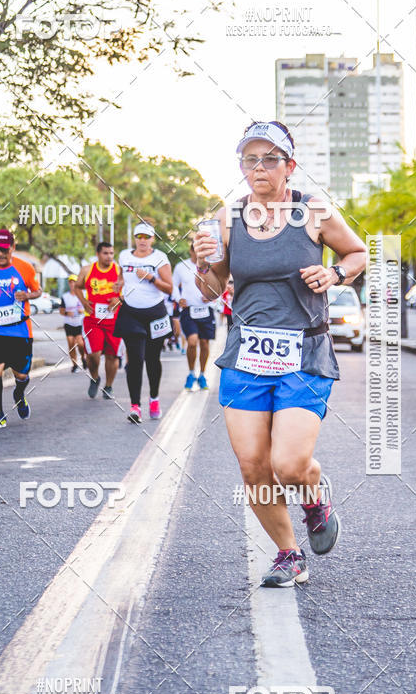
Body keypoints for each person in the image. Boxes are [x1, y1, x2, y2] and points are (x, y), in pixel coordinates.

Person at [194, 120, 366, 587]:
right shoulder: (229, 220)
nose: (260, 168)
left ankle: (314, 496)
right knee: (254, 466)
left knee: (289, 464)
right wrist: (202, 264)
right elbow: (210, 290)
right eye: (250, 159)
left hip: (304, 352)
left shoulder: (313, 211)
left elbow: (357, 254)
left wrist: (335, 276)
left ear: (290, 166)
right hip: (246, 356)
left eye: (270, 158)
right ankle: (290, 554)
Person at [0, 229, 41, 428]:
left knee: (21, 374)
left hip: (20, 330)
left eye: (4, 250)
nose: (0, 254)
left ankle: (19, 394)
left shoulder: (25, 268)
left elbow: (38, 290)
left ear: (12, 248)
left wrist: (28, 296)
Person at [114, 222, 173, 423]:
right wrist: (119, 285)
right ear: (135, 238)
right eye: (139, 236)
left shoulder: (159, 258)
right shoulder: (124, 256)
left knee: (152, 358)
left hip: (155, 312)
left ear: (152, 239)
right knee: (135, 360)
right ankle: (135, 407)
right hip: (131, 312)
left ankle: (154, 399)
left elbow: (169, 288)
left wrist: (151, 278)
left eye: (146, 237)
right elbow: (122, 277)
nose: (142, 241)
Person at [74, 242, 122, 400]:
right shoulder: (87, 270)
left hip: (114, 320)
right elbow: (77, 286)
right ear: (98, 254)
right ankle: (95, 378)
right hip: (93, 319)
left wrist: (119, 299)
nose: (109, 257)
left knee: (112, 356)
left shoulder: (118, 270)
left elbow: (130, 288)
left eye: (111, 253)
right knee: (93, 354)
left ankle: (108, 386)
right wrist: (83, 302)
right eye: (105, 253)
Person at [172, 241, 215, 391]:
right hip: (188, 310)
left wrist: (211, 297)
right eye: (195, 251)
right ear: (191, 251)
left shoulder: (211, 266)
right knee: (192, 342)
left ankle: (202, 375)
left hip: (206, 310)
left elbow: (219, 287)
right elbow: (173, 286)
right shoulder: (180, 267)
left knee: (204, 343)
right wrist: (179, 299)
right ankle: (191, 373)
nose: (198, 254)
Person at [59, 274, 87, 372]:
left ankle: (83, 357)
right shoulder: (65, 296)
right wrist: (67, 313)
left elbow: (89, 308)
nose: (72, 284)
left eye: (74, 282)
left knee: (80, 343)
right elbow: (61, 311)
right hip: (69, 323)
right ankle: (74, 365)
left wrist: (82, 311)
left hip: (79, 322)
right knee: (71, 344)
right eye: (70, 282)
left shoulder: (83, 294)